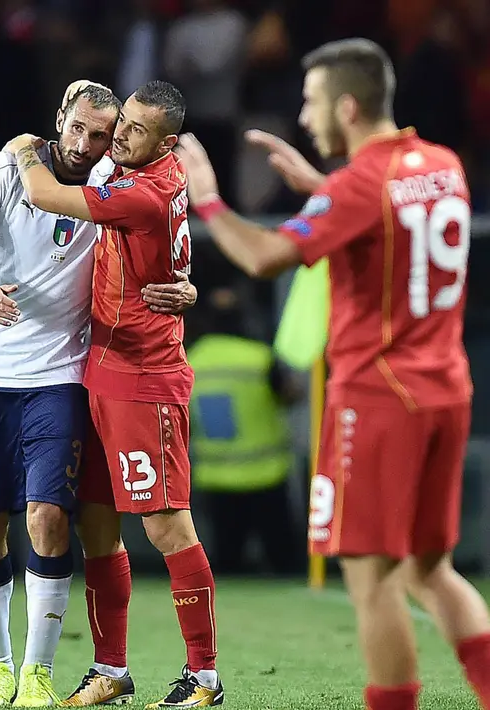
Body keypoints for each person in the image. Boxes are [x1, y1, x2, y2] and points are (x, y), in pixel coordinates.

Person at [175, 37, 490, 710]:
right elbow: (389, 216)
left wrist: (206, 198)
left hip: (378, 400)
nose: (304, 113)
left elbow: (261, 257)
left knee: (371, 579)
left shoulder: (356, 185)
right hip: (444, 390)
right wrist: (322, 191)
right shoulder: (441, 165)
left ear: (346, 106)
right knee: (429, 569)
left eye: (311, 100)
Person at [0, 81, 197, 707]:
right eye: (78, 128)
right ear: (60, 117)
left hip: (60, 376)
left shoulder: (107, 179)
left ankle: (37, 673)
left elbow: (160, 235)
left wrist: (184, 284)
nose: (87, 145)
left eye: (101, 135)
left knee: (50, 518)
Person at [5, 80, 224, 708]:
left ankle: (204, 677)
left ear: (166, 145)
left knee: (166, 525)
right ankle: (110, 670)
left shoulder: (142, 190)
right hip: (98, 370)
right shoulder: (154, 167)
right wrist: (184, 283)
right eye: (120, 122)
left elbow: (42, 191)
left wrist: (24, 147)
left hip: (143, 379)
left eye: (134, 131)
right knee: (99, 526)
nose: (119, 138)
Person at [188, 286, 304, 576]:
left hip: (216, 476)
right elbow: (291, 395)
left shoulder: (189, 360)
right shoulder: (261, 357)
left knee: (227, 564)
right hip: (266, 473)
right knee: (283, 563)